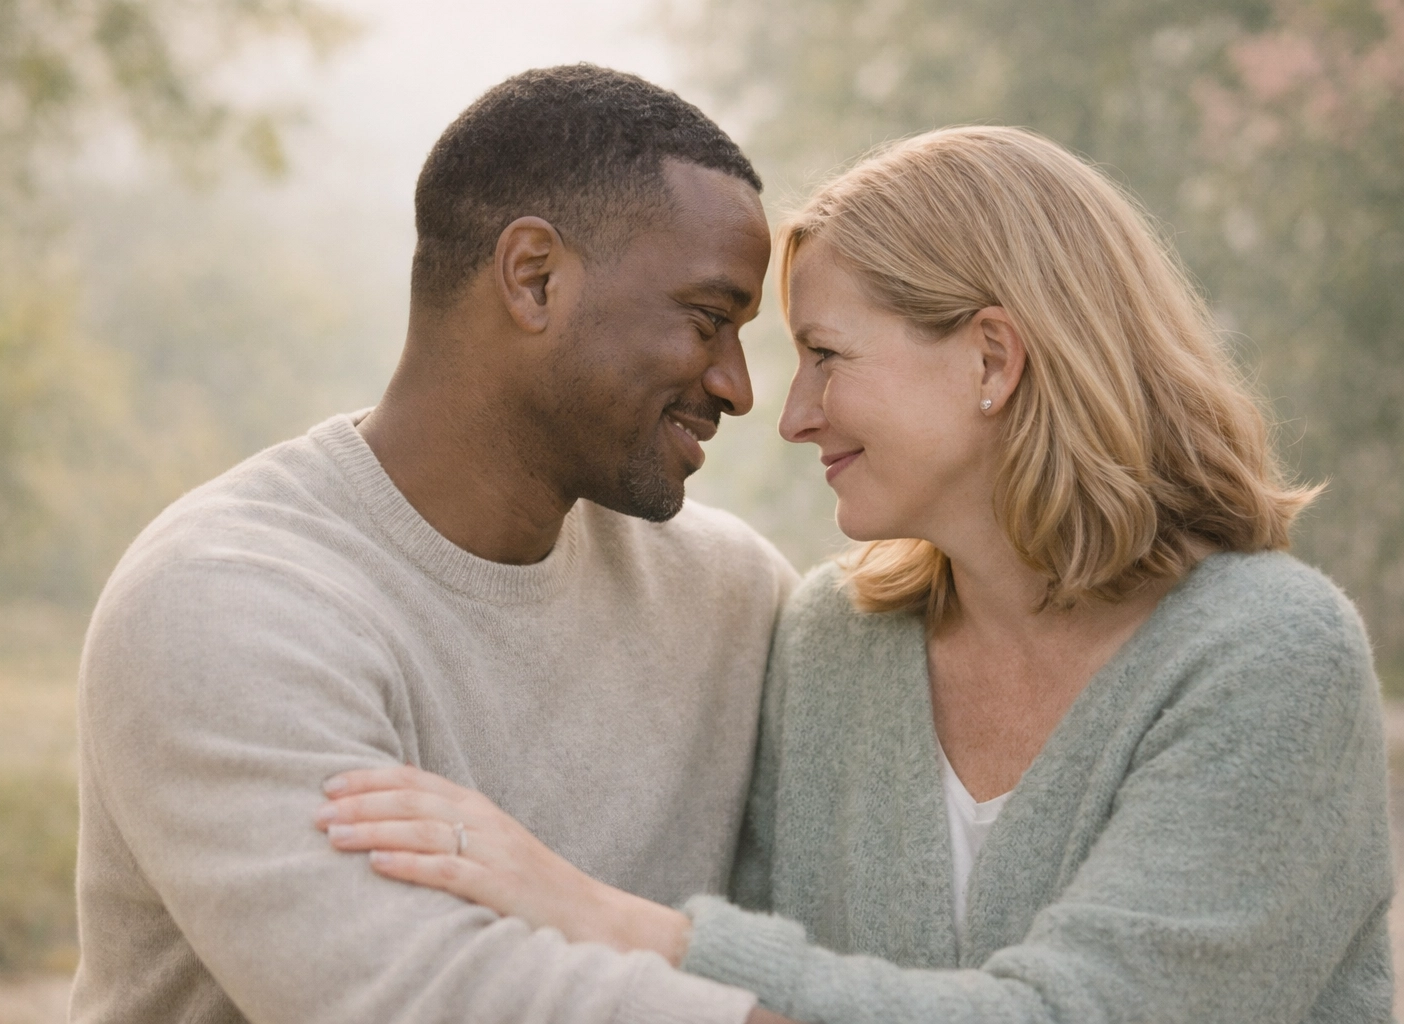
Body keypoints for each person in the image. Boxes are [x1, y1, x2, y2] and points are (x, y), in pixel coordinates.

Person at [315, 126, 1395, 1023]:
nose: (791, 415)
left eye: (826, 356)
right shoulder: (836, 638)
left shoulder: (1267, 658)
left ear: (991, 359)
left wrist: (614, 920)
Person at [70, 65, 801, 1024]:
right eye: (707, 321)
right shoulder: (222, 603)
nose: (739, 388)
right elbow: (412, 995)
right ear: (533, 278)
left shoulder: (735, 594)